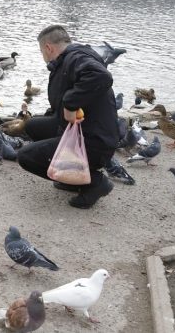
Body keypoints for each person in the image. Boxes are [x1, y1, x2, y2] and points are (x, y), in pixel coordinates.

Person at [17, 25, 119, 209]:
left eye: (42, 51)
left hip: (95, 142)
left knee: (26, 157)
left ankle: (94, 182)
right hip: (86, 130)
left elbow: (101, 76)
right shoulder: (71, 58)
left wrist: (71, 104)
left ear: (48, 48)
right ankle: (72, 178)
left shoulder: (76, 58)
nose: (43, 56)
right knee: (32, 126)